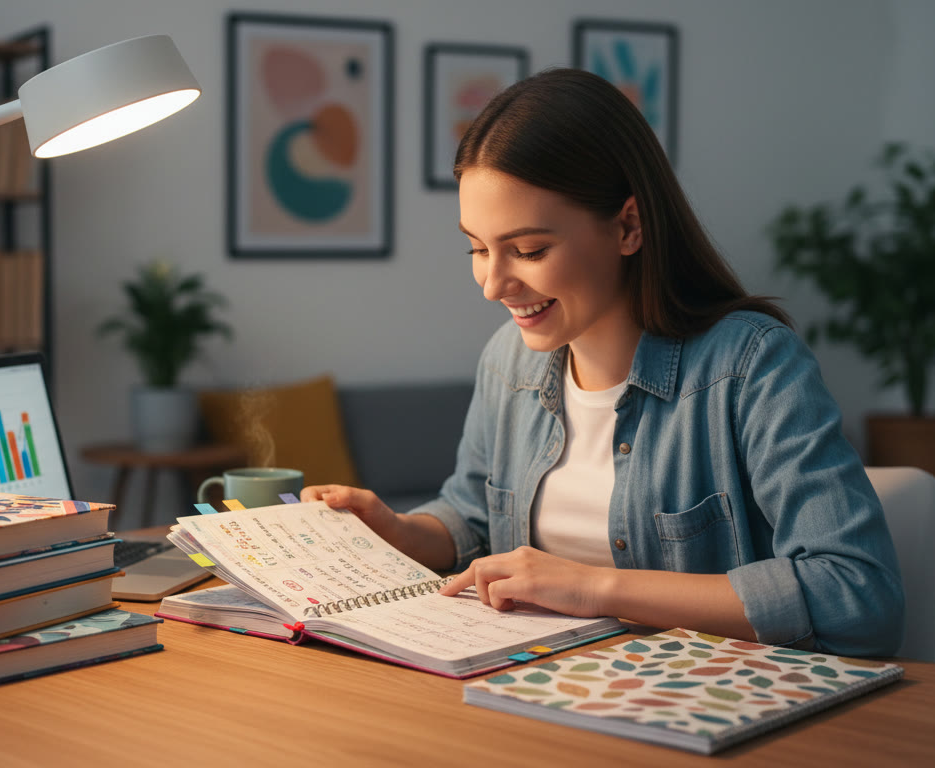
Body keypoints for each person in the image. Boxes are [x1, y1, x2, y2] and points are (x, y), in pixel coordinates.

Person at [302, 68, 903, 657]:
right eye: (478, 248)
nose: (492, 284)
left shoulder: (752, 368)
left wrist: (593, 588)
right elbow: (475, 518)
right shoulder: (507, 361)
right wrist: (397, 530)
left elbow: (858, 596)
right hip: (538, 696)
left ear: (629, 226)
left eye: (529, 250)